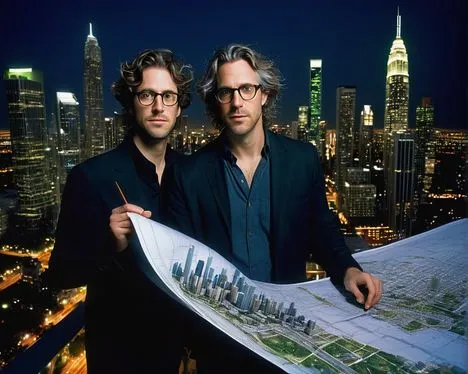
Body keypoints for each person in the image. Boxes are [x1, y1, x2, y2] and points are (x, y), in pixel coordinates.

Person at [162, 44, 383, 370]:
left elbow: (321, 229)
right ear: (216, 102)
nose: (237, 101)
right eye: (226, 92)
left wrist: (348, 269)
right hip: (221, 340)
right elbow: (180, 262)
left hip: (287, 336)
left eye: (247, 89)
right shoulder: (189, 173)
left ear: (264, 94)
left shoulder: (302, 159)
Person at [43, 48, 194, 373]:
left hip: (176, 350)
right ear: (131, 102)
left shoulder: (190, 172)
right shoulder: (90, 177)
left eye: (168, 96)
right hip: (119, 356)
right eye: (147, 95)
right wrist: (108, 243)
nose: (158, 106)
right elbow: (59, 274)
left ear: (179, 107)